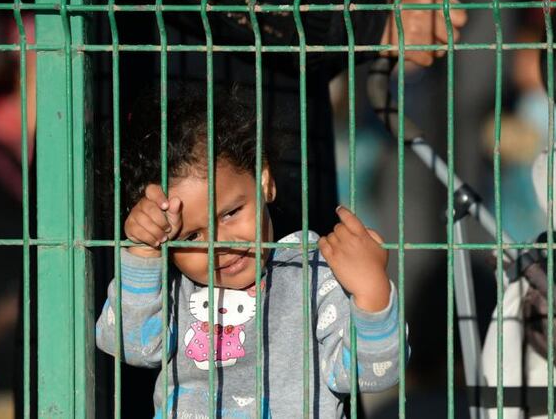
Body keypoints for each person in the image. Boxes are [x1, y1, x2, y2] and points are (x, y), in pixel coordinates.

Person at [96, 86, 404, 417]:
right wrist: (143, 253)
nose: (220, 244)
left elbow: (372, 373)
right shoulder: (173, 289)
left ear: (264, 181)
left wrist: (372, 292)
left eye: (230, 213)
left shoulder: (314, 275)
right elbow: (131, 347)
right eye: (192, 236)